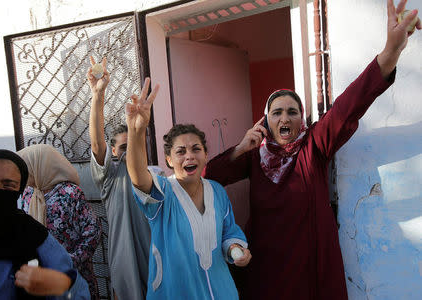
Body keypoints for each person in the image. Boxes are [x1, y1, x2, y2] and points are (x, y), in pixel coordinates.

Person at [203, 1, 421, 299]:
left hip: (311, 273)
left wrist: (390, 53)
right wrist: (240, 148)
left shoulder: (314, 146)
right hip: (266, 273)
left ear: (301, 119)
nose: (284, 118)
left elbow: (349, 106)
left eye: (292, 111)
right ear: (265, 120)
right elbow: (208, 175)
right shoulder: (253, 157)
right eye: (276, 112)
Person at [126, 78, 252, 299]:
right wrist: (137, 131)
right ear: (168, 160)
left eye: (196, 149)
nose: (189, 156)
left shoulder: (217, 191)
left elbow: (228, 232)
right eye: (180, 151)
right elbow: (137, 176)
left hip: (221, 291)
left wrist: (235, 250)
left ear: (205, 155)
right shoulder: (163, 193)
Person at [0, 149, 90, 299]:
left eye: (8, 185)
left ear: (18, 190)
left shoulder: (35, 235)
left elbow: (77, 290)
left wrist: (62, 285)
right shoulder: (31, 193)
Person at [87, 56, 151, 300]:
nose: (128, 150)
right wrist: (98, 95)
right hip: (124, 259)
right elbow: (96, 141)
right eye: (123, 147)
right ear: (113, 151)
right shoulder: (110, 176)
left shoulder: (152, 174)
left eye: (134, 142)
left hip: (154, 254)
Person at [17, 144, 102, 299]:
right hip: (40, 275)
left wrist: (70, 261)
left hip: (72, 274)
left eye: (26, 169)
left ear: (39, 167)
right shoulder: (28, 194)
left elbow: (93, 231)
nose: (23, 175)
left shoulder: (70, 193)